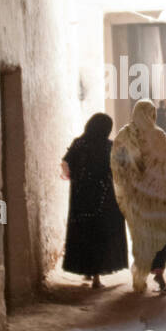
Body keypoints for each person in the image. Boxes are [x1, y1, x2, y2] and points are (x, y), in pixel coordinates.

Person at [111, 99, 166, 294]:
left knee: (147, 238)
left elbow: (118, 165)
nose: (152, 117)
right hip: (155, 197)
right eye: (151, 113)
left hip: (146, 198)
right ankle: (157, 276)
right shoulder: (153, 135)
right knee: (159, 238)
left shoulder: (125, 135)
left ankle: (151, 274)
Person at [60, 113, 128, 288]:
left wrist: (72, 177)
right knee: (101, 234)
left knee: (84, 232)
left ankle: (87, 271)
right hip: (104, 197)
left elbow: (65, 164)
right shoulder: (109, 147)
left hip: (80, 197)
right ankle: (96, 277)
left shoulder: (79, 143)